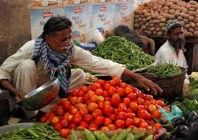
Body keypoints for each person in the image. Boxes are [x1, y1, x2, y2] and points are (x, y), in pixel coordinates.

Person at [0, 16, 162, 118]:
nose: (67, 43)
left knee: (80, 75)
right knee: (26, 65)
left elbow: (100, 63)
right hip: (25, 92)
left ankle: (49, 109)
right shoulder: (32, 48)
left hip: (47, 89)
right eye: (62, 40)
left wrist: (136, 76)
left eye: (69, 38)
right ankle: (30, 114)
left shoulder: (70, 50)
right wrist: (16, 93)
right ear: (48, 39)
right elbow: (3, 72)